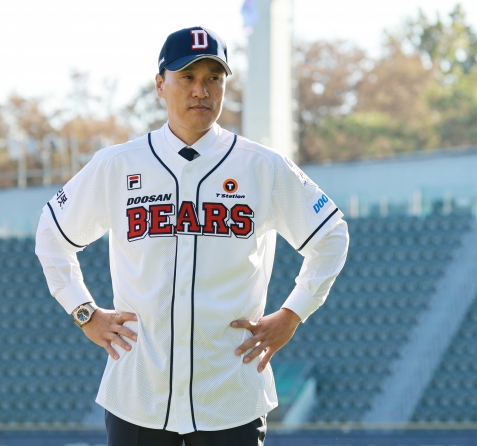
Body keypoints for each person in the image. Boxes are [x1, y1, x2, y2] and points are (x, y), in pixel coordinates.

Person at [35, 26, 349, 446]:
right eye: (187, 76)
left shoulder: (262, 166)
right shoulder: (117, 164)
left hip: (230, 394)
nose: (201, 90)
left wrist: (293, 313)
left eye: (213, 78)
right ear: (160, 85)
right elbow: (51, 233)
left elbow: (332, 234)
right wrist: (84, 312)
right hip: (138, 394)